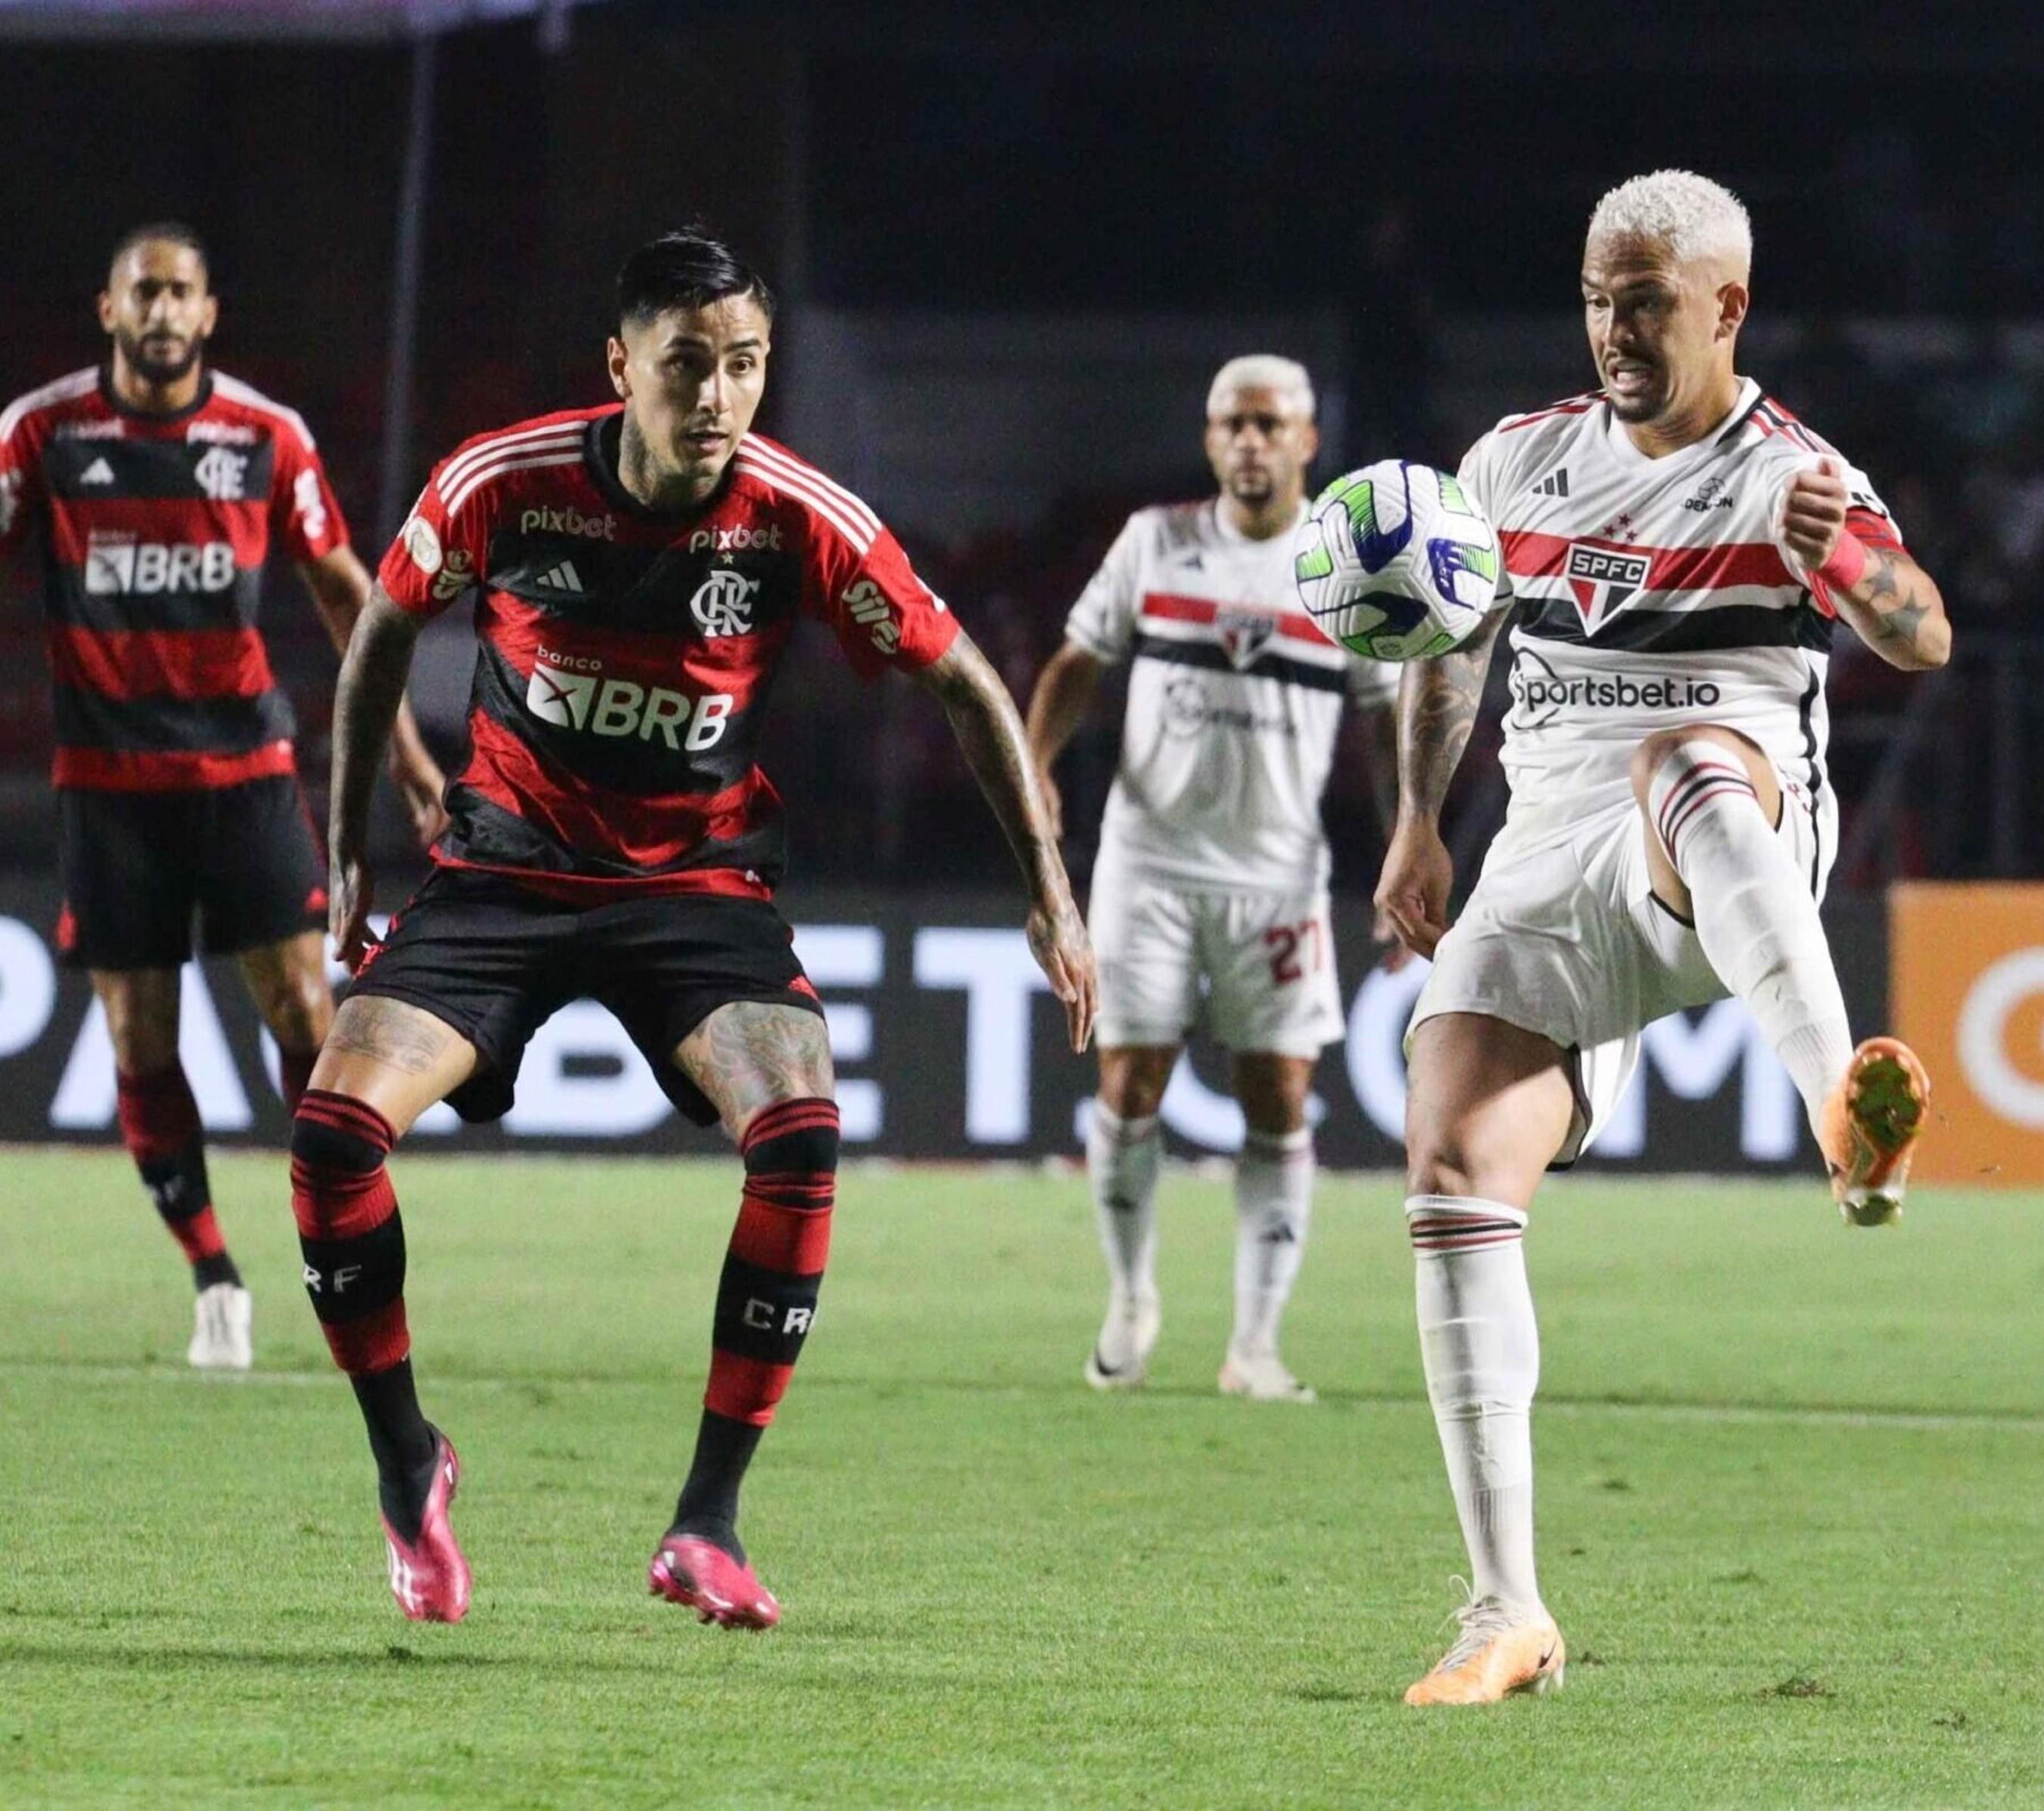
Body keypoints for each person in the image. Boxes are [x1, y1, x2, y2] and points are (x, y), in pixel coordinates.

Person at [297, 227, 1096, 1628]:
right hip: (503, 873)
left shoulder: (798, 517)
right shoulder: (506, 483)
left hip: (696, 890)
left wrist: (1049, 888)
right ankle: (407, 1466)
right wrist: (349, 839)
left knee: (801, 1132)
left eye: (744, 366)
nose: (720, 397)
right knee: (330, 1136)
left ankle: (709, 1524)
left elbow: (968, 681)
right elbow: (378, 635)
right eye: (688, 367)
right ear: (622, 368)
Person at [1372, 171, 1952, 1705]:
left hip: (1728, 825)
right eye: (1596, 296)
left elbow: (1921, 631)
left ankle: (1841, 1111)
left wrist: (1845, 561)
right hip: (1543, 850)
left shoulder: (1789, 471)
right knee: (1447, 1162)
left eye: (1645, 300)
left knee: (1681, 758)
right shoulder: (1513, 461)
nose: (1616, 328)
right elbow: (1447, 652)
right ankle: (1506, 1613)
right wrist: (1421, 820)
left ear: (1724, 306)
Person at [0, 222, 444, 1372]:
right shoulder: (40, 434)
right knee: (139, 1037)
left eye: (179, 293)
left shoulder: (264, 437)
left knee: (306, 1011)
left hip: (245, 771)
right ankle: (213, 1275)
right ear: (107, 309)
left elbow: (352, 597)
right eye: (140, 293)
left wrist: (404, 752)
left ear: (208, 315)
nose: (159, 311)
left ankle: (334, 1236)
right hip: (108, 789)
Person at [1023, 355, 1400, 1403]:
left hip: (1279, 874)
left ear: (1307, 442)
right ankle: (1131, 1298)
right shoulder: (1157, 541)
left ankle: (1257, 1344)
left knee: (1278, 1094)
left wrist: (1409, 838)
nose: (1250, 442)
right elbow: (1075, 663)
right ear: (1210, 439)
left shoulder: (1349, 566)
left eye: (1269, 425)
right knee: (1128, 1081)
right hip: (1148, 862)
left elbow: (1386, 719)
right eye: (1233, 424)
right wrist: (1038, 770)